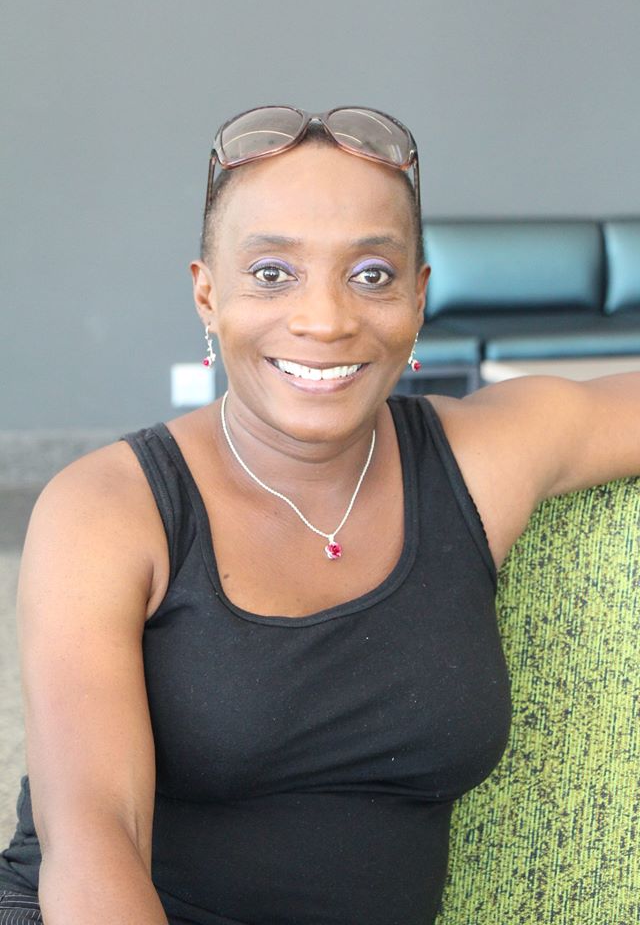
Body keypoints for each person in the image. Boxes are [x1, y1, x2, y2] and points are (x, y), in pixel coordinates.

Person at [0, 105, 638, 925]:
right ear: (207, 294)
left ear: (419, 297)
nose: (326, 320)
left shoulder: (482, 458)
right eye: (272, 273)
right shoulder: (106, 509)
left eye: (371, 274)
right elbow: (95, 843)